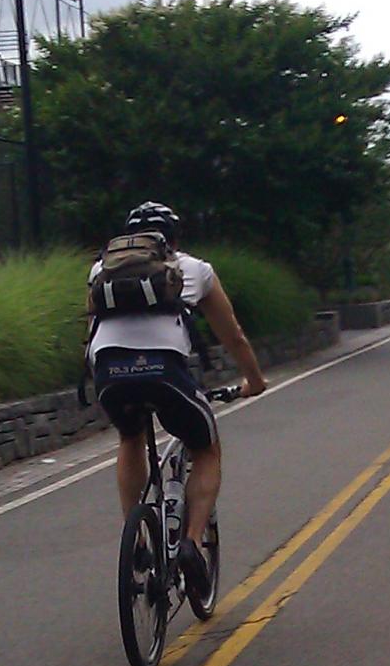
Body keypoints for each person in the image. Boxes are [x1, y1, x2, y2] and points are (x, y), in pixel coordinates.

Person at [85, 202, 267, 598]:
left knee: (130, 438)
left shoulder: (101, 270)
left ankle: (135, 539)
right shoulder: (195, 269)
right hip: (165, 373)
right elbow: (232, 336)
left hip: (109, 373)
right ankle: (192, 544)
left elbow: (93, 329)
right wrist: (254, 380)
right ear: (174, 238)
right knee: (206, 449)